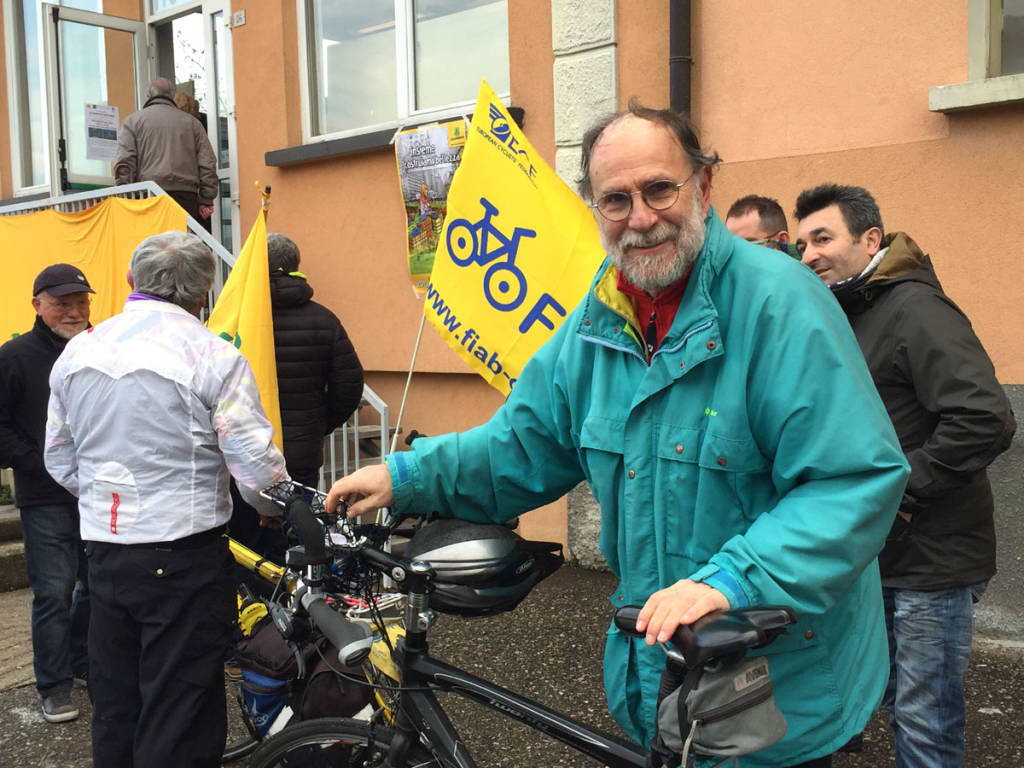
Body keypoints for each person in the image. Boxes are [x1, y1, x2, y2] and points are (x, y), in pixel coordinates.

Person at [326, 104, 910, 767]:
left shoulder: (781, 303)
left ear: (703, 187)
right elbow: (519, 447)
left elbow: (852, 480)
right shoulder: (594, 323)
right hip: (658, 678)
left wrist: (732, 582)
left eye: (659, 189)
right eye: (615, 199)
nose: (640, 217)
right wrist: (403, 475)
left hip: (772, 690)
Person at [44, 231, 288, 767]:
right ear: (204, 293)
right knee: (180, 707)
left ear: (132, 281)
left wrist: (113, 504)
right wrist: (276, 511)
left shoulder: (78, 352)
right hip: (185, 556)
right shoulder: (212, 355)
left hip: (106, 552)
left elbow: (59, 459)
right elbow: (256, 470)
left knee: (116, 700)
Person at [794, 183, 1016, 768]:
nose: (808, 254)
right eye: (801, 244)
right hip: (881, 553)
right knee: (892, 698)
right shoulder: (850, 310)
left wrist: (897, 490)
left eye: (822, 238)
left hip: (933, 561)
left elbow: (984, 418)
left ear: (871, 239)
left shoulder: (914, 308)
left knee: (924, 718)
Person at [229, 232, 363, 566]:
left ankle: (252, 611)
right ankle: (302, 608)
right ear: (296, 267)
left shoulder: (237, 320)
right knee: (302, 542)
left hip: (244, 454)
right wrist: (317, 425)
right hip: (300, 453)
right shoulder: (324, 319)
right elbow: (349, 385)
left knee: (246, 545)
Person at [0, 264, 93, 723]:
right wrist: (42, 462)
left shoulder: (105, 348)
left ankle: (81, 660)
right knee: (53, 593)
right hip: (46, 498)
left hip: (98, 494)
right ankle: (54, 686)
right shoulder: (14, 356)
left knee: (97, 587)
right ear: (37, 305)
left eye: (80, 301)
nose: (73, 311)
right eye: (62, 303)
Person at [115, 77, 217, 224]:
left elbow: (125, 163)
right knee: (182, 244)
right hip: (185, 198)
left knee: (152, 244)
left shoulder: (132, 122)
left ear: (148, 95)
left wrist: (125, 197)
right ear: (172, 95)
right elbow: (208, 163)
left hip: (147, 196)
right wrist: (206, 199)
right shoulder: (193, 124)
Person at [725, 194, 799, 257]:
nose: (736, 258)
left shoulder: (806, 272)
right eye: (730, 250)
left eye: (748, 246)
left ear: (782, 241)